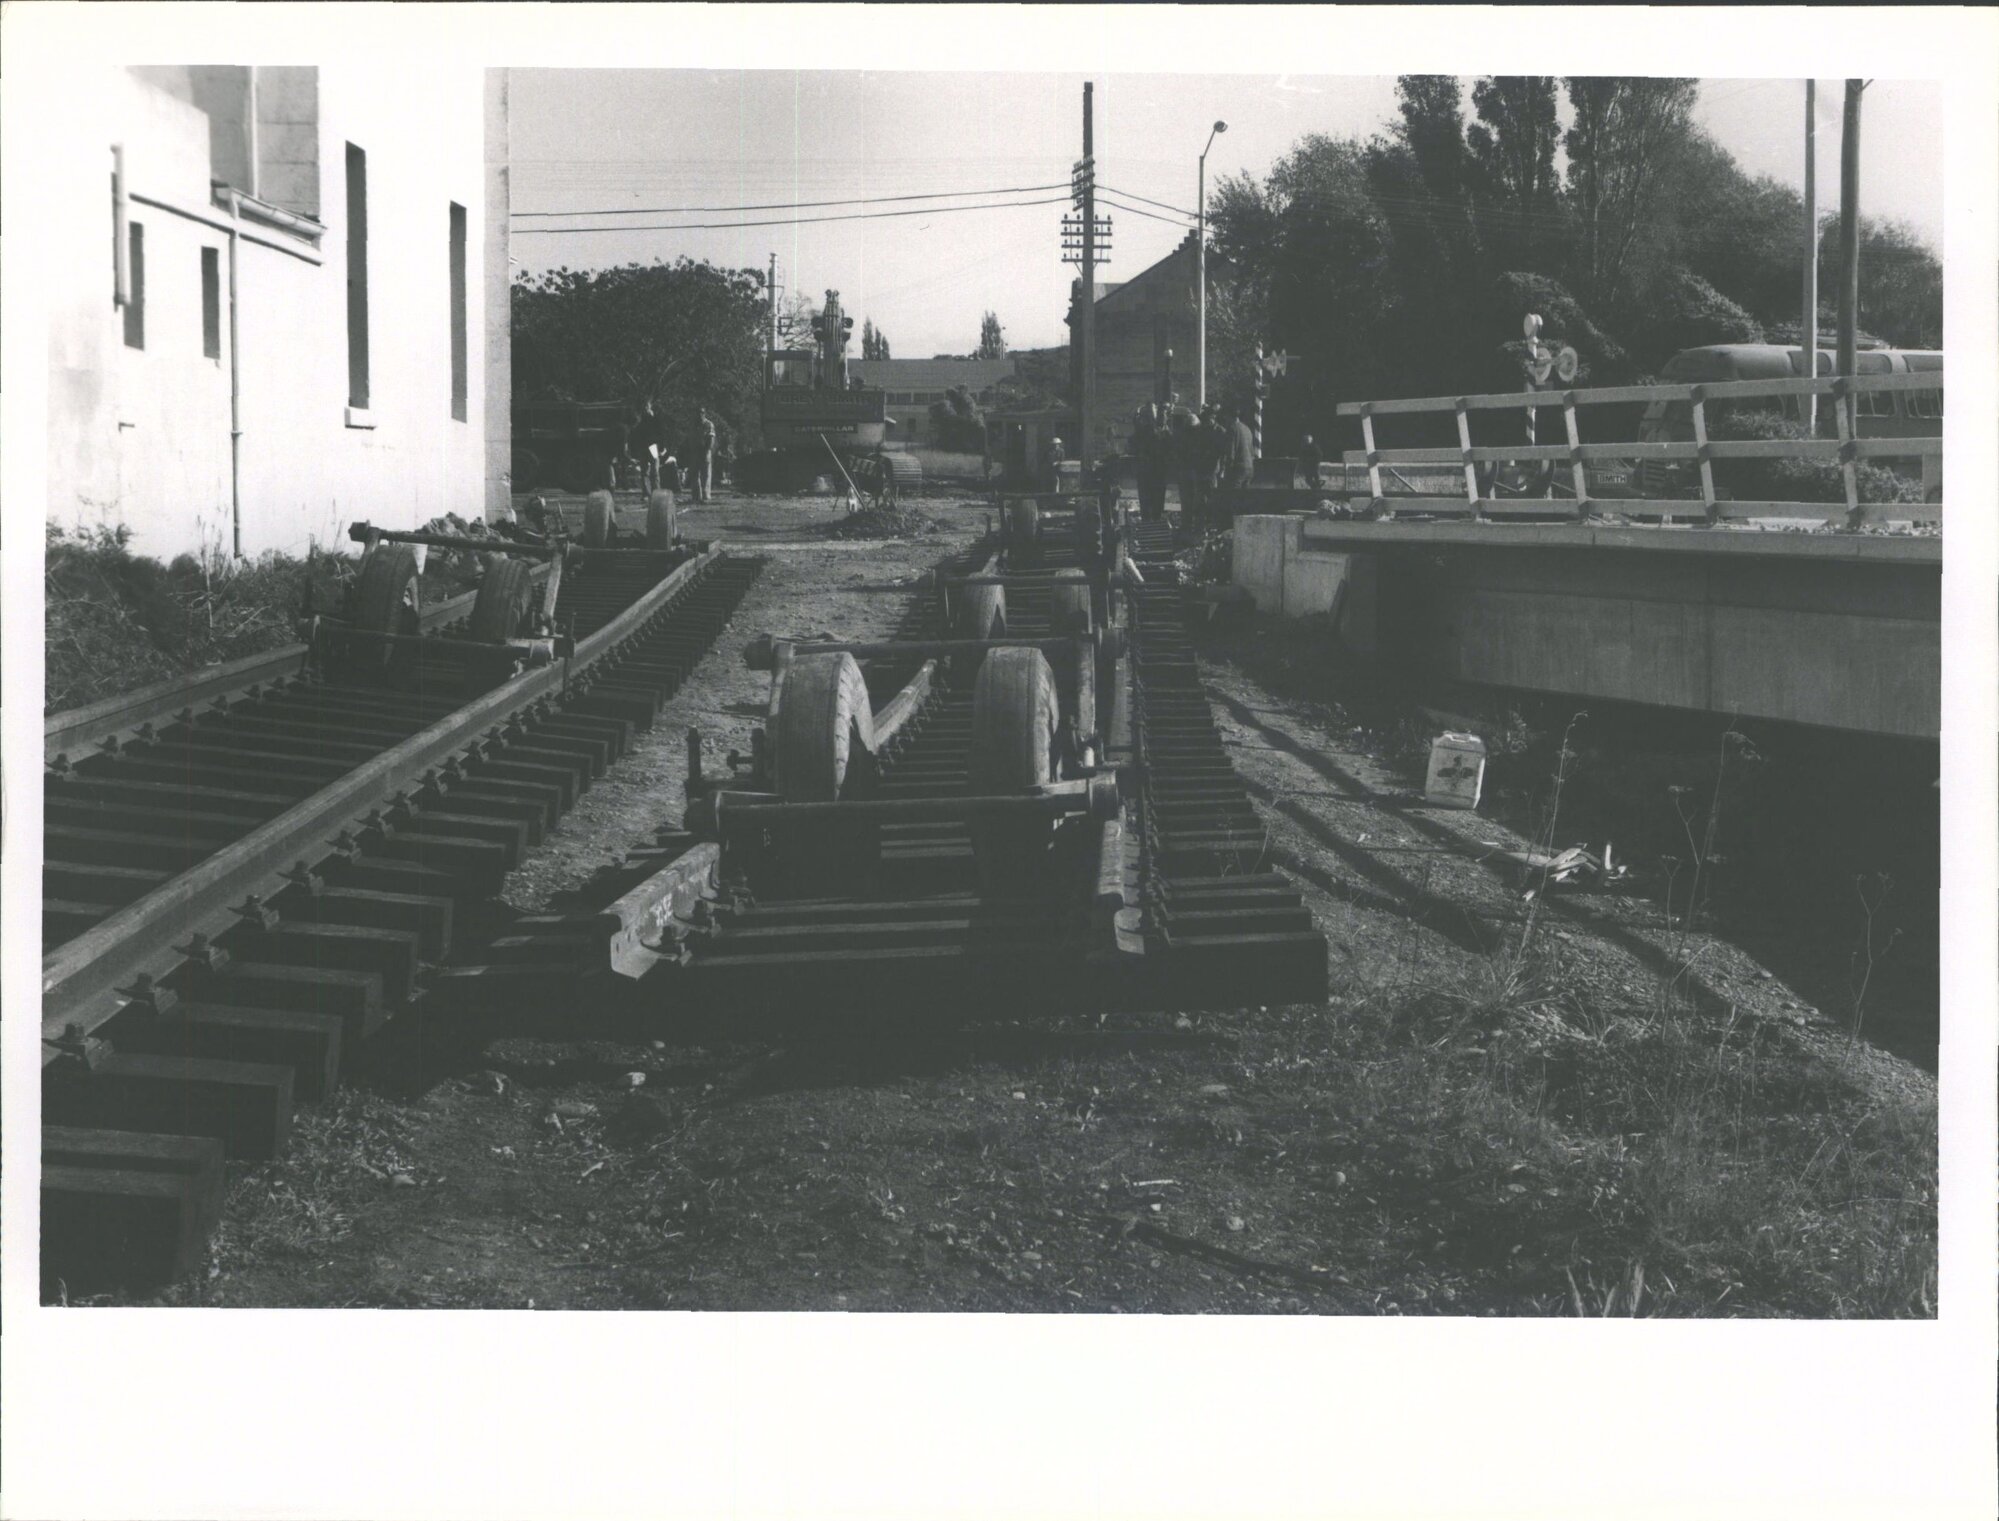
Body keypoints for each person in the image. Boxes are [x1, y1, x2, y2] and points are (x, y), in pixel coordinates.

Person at [692, 408, 718, 503]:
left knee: (706, 473)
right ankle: (696, 495)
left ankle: (706, 495)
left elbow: (711, 438)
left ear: (704, 414)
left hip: (705, 450)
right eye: (697, 412)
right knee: (695, 473)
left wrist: (708, 450)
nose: (699, 414)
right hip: (695, 450)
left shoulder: (708, 424)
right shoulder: (694, 425)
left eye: (701, 413)